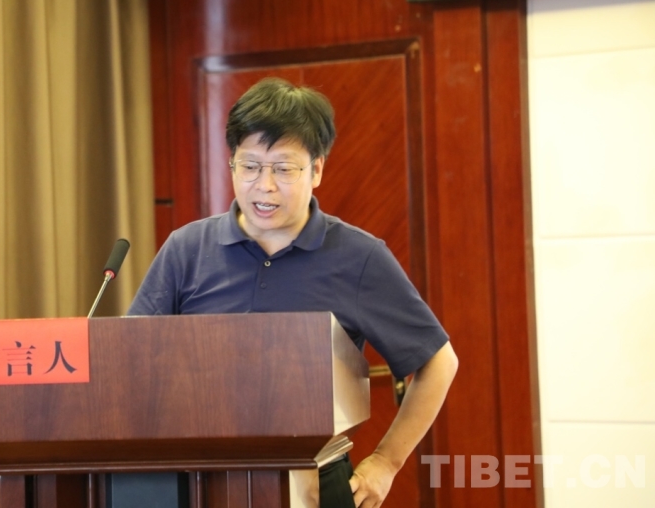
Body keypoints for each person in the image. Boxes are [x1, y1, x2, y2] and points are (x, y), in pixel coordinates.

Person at [128, 77, 458, 507]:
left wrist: (386, 461)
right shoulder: (186, 249)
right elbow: (132, 359)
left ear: (316, 169)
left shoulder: (359, 257)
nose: (264, 186)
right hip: (201, 480)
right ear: (232, 164)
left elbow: (438, 362)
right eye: (249, 166)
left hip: (316, 481)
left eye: (283, 169)